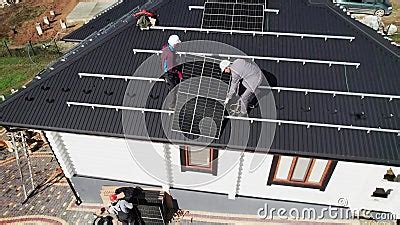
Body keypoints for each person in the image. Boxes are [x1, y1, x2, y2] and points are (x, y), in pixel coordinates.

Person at [161, 34, 183, 109]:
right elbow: (171, 68)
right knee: (173, 89)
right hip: (169, 73)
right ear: (174, 44)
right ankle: (172, 105)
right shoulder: (170, 54)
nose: (178, 46)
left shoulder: (166, 49)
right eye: (177, 44)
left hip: (166, 72)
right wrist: (178, 71)